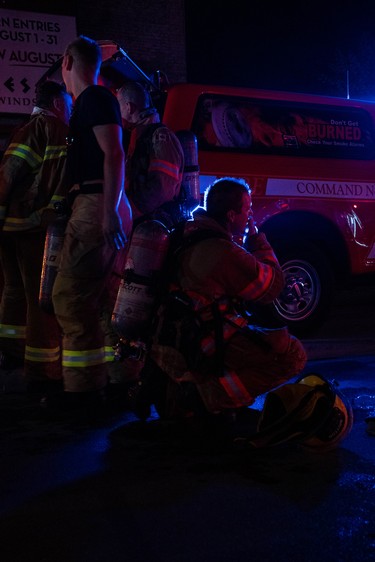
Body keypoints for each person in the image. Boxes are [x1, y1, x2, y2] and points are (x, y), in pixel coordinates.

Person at [150, 177, 307, 418]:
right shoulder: (223, 251)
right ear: (232, 215)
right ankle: (207, 396)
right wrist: (256, 239)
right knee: (291, 354)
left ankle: (199, 390)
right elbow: (272, 287)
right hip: (200, 342)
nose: (250, 215)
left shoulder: (186, 233)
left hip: (170, 339)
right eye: (247, 209)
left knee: (250, 334)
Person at [50, 36, 132, 412]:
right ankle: (114, 382)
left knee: (69, 297)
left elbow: (113, 153)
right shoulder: (93, 102)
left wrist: (108, 211)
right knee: (98, 301)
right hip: (102, 203)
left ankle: (82, 393)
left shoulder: (95, 100)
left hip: (97, 204)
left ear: (68, 61)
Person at [0, 80, 73, 396]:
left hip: (9, 227)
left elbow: (8, 175)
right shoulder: (53, 128)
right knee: (39, 299)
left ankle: (13, 351)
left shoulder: (23, 128)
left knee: (14, 291)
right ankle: (42, 370)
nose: (70, 109)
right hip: (33, 228)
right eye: (68, 103)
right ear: (58, 103)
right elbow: (57, 179)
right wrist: (53, 216)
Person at [116, 80, 184, 228]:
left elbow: (161, 187)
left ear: (129, 107)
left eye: (118, 106)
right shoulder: (139, 135)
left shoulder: (159, 136)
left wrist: (130, 212)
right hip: (141, 221)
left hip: (152, 225)